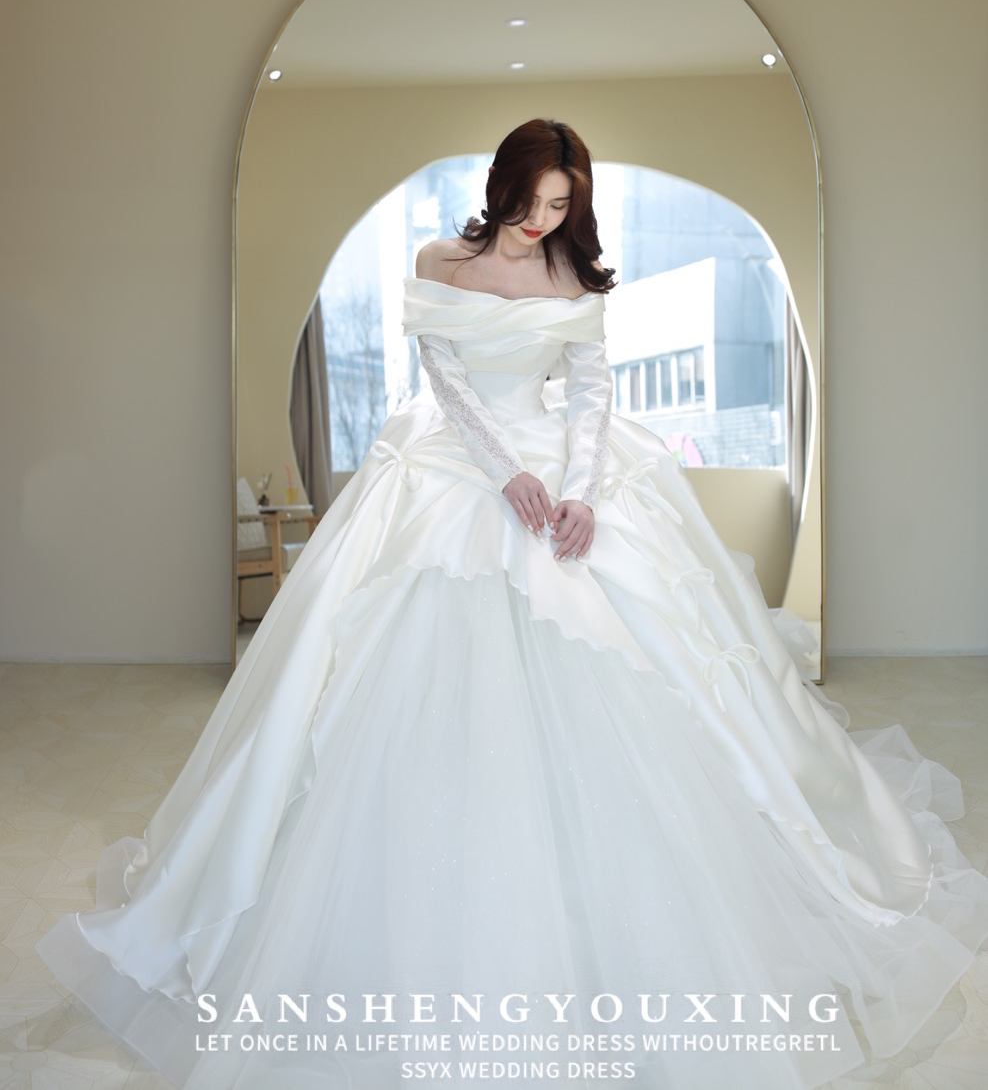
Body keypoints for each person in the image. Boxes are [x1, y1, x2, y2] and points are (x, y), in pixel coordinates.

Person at [37, 119, 988, 1090]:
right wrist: (506, 475)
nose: (542, 220)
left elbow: (592, 392)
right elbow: (444, 381)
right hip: (458, 466)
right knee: (380, 665)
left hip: (566, 470)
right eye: (531, 202)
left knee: (654, 667)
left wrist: (579, 490)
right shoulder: (439, 261)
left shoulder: (573, 277)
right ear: (500, 189)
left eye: (560, 205)